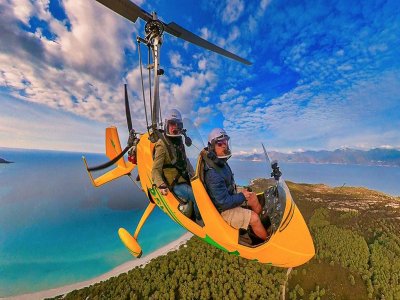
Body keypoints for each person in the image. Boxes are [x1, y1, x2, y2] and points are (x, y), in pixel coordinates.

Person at [202, 128, 267, 240]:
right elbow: (223, 203)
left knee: (253, 197)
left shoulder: (220, 161)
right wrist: (242, 196)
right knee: (254, 218)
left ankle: (256, 227)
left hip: (230, 194)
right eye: (220, 144)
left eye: (226, 143)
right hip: (224, 210)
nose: (224, 146)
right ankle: (266, 240)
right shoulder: (213, 174)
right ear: (212, 147)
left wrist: (243, 195)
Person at [151, 109, 201, 221]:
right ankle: (199, 219)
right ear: (166, 125)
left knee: (202, 189)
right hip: (175, 184)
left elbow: (185, 160)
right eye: (172, 124)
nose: (175, 127)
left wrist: (194, 175)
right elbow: (155, 170)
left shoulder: (178, 141)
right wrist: (161, 185)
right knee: (197, 195)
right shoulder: (161, 145)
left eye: (178, 125)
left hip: (184, 177)